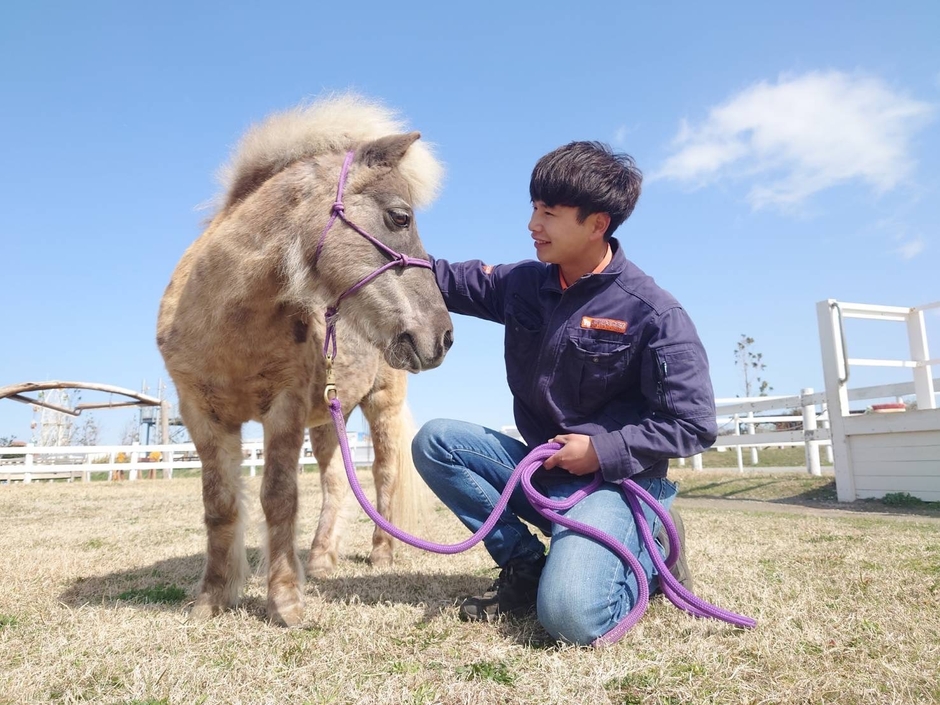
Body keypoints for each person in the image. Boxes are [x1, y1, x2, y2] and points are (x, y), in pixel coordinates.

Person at [412, 141, 717, 645]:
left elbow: (694, 423)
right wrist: (358, 241)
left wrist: (601, 450)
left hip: (617, 486)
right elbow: (437, 276)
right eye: (534, 208)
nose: (533, 224)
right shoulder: (523, 284)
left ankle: (654, 542)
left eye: (549, 213)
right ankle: (525, 565)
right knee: (436, 440)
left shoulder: (656, 313)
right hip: (544, 472)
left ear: (597, 224)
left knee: (572, 619)